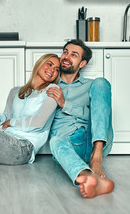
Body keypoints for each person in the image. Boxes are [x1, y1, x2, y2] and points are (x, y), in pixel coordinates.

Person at [46, 39, 114, 198]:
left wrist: (65, 104)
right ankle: (91, 179)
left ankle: (96, 159)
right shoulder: (50, 86)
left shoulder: (93, 86)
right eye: (65, 52)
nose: (66, 57)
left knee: (102, 82)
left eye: (73, 55)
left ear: (82, 63)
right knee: (55, 141)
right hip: (68, 146)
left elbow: (100, 116)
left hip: (94, 142)